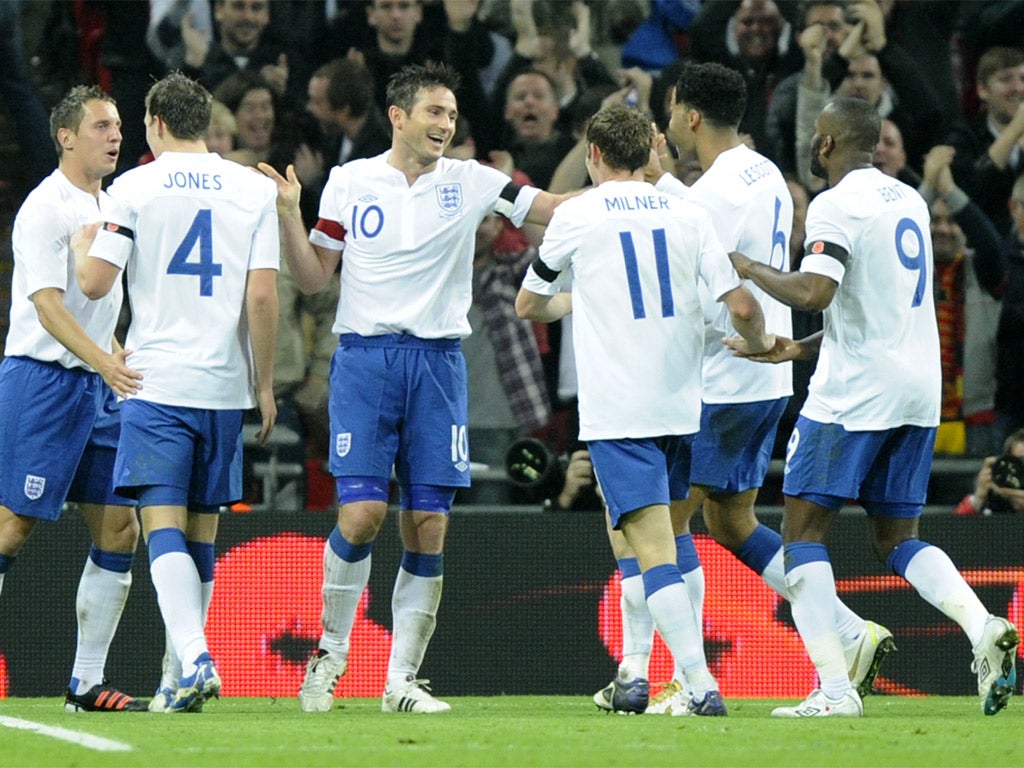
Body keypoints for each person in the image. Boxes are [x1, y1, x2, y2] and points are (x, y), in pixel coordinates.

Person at [258, 61, 569, 714]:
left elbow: (548, 210)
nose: (445, 124)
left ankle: (400, 681)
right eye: (435, 112)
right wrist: (290, 214)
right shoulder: (350, 182)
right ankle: (331, 652)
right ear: (398, 117)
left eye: (452, 115)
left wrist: (626, 192)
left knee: (428, 524)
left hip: (438, 365)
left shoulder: (472, 180)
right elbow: (315, 278)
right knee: (363, 515)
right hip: (367, 361)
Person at [605, 61, 891, 717]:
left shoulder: (704, 199)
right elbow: (711, 215)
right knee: (730, 521)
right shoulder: (759, 171)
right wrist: (663, 182)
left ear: (690, 116)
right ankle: (850, 632)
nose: (669, 124)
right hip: (765, 379)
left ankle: (681, 679)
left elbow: (704, 286)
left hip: (720, 377)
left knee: (662, 527)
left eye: (672, 112)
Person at [726, 96, 1019, 717]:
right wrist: (797, 349)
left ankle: (835, 691)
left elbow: (815, 289)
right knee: (897, 536)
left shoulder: (837, 204)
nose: (812, 142)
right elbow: (867, 305)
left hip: (853, 396)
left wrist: (751, 268)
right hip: (917, 388)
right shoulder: (905, 196)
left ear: (829, 144)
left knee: (801, 533)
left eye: (817, 134)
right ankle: (979, 624)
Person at [518, 102, 776, 717]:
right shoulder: (690, 211)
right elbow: (740, 305)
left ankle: (699, 683)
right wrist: (764, 344)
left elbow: (531, 303)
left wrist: (581, 300)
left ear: (596, 155)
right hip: (683, 405)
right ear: (650, 152)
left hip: (619, 410)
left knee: (649, 547)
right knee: (656, 539)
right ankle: (633, 675)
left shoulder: (577, 213)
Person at [74, 72, 279, 713]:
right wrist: (264, 384)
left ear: (155, 123)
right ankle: (173, 679)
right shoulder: (253, 189)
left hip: (156, 380)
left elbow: (97, 283)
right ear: (204, 120)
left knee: (159, 524)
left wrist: (85, 247)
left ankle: (194, 658)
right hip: (223, 385)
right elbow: (264, 294)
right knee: (201, 534)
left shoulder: (132, 188)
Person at [0, 85, 146, 712]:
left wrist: (116, 352)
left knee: (120, 528)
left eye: (117, 125)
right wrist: (105, 362)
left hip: (96, 384)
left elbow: (98, 303)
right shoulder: (44, 208)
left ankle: (84, 684)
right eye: (100, 126)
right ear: (65, 136)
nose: (114, 135)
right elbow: (48, 305)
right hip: (43, 381)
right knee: (12, 526)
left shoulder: (111, 206)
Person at [954, 427, 1024, 516]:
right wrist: (978, 499)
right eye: (1020, 462)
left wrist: (1009, 493)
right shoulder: (995, 502)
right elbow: (954, 527)